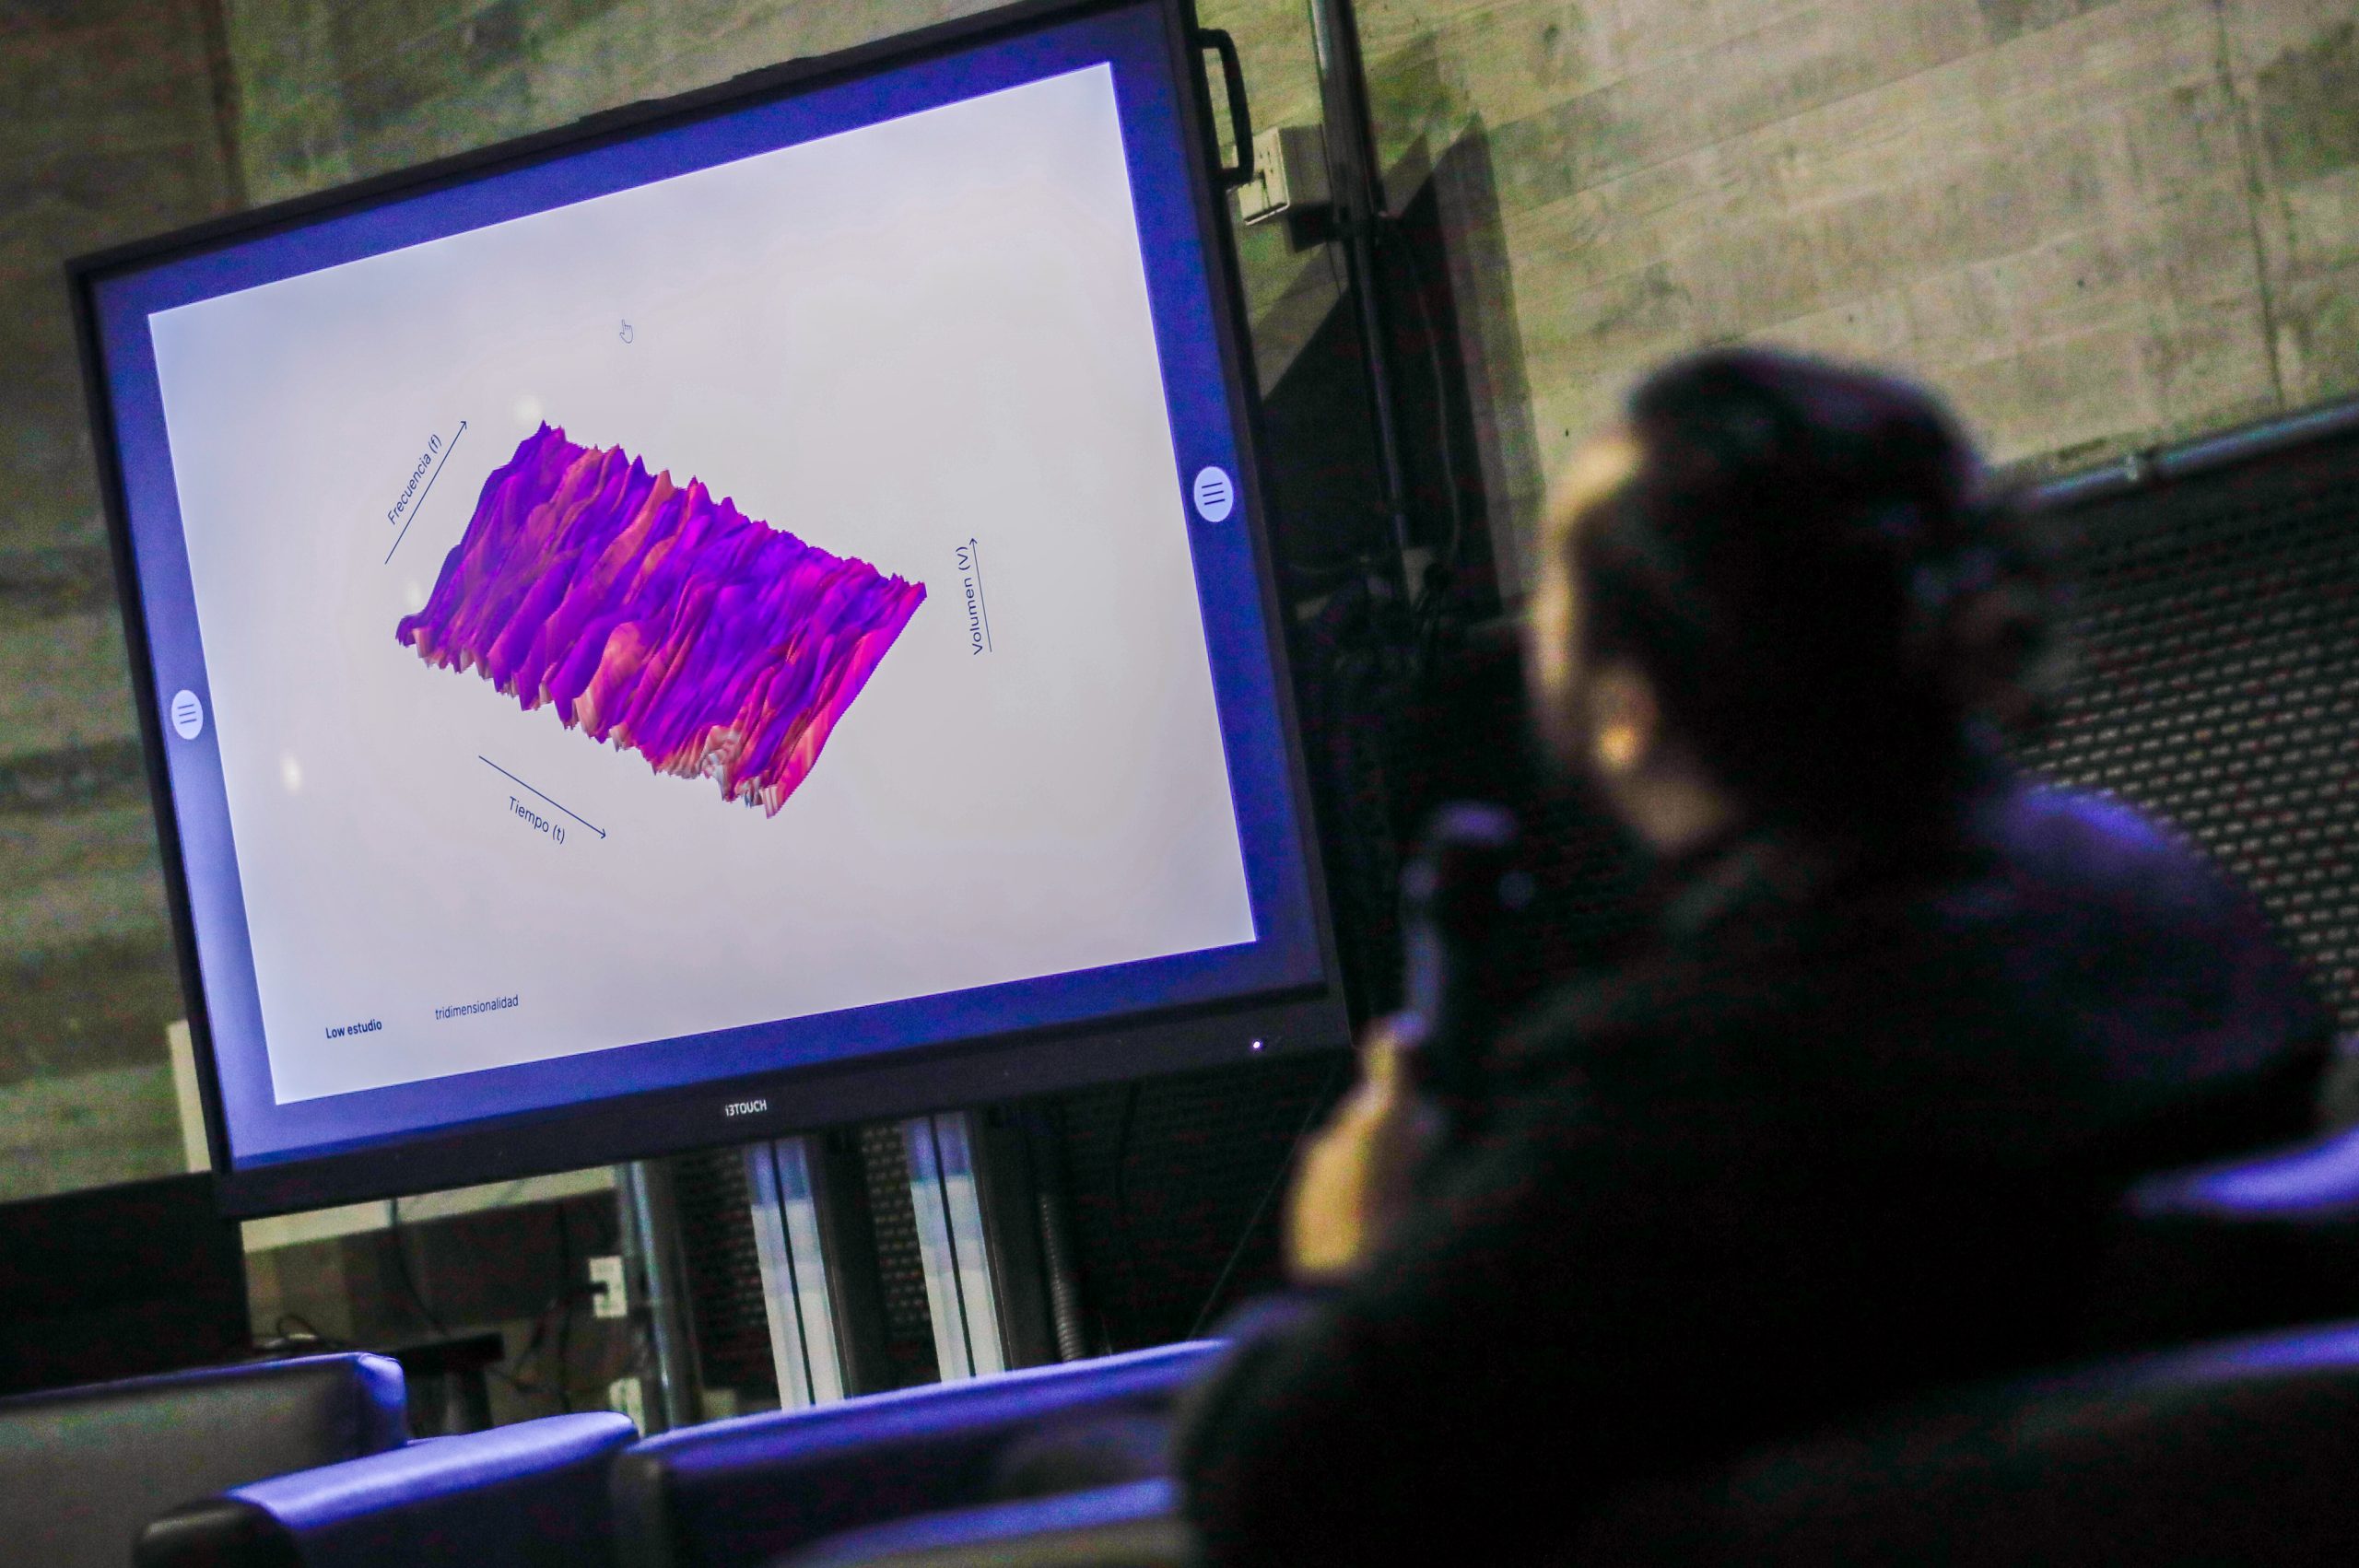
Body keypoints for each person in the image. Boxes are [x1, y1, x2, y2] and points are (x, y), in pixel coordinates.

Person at [1172, 347, 2333, 1568]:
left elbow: (1279, 1478)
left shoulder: (1691, 1084)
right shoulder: (2167, 902)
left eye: (1559, 586)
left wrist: (1351, 1255)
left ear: (1626, 709)